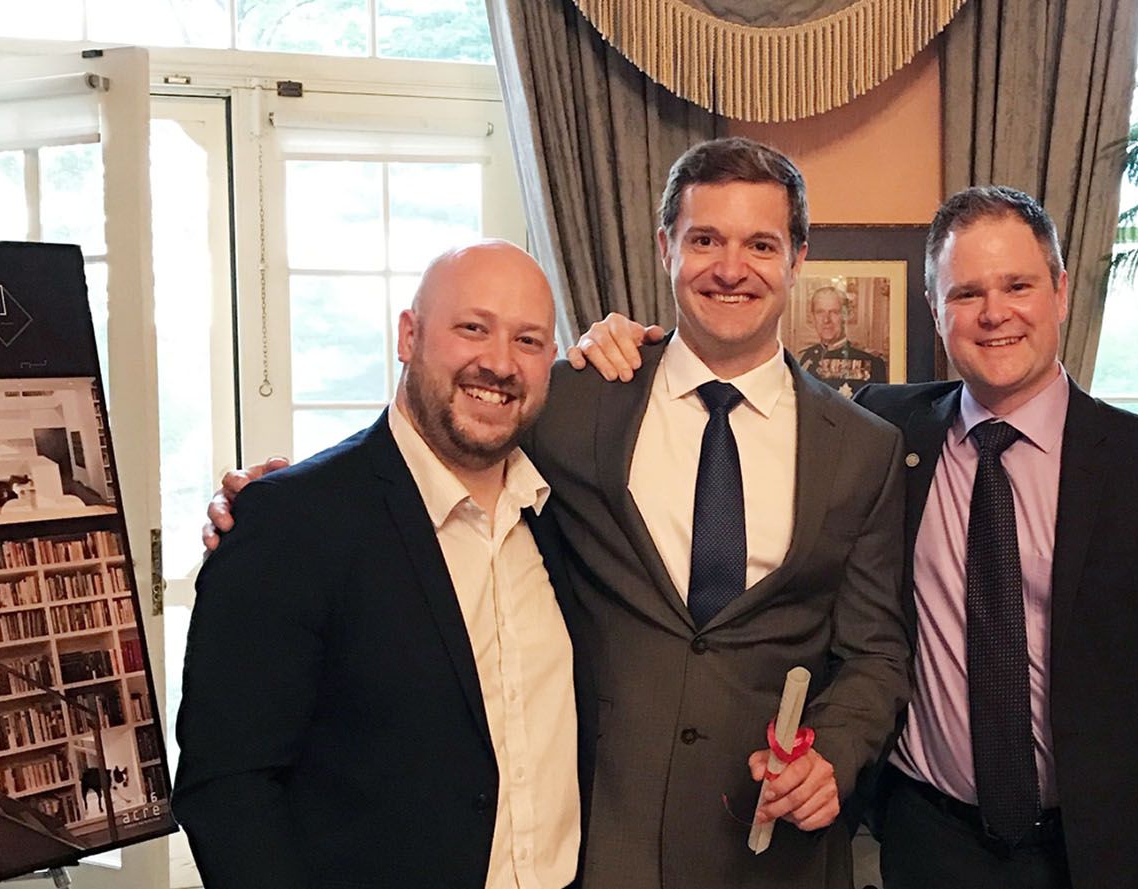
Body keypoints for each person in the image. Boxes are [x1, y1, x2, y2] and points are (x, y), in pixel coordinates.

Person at [205, 138, 910, 889]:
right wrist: (278, 495)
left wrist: (831, 748)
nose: (730, 268)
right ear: (668, 246)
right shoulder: (574, 398)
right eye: (705, 239)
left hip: (773, 859)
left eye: (760, 244)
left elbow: (876, 653)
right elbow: (439, 431)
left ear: (798, 258)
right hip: (600, 849)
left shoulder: (863, 448)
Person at [572, 185, 1138, 889]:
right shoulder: (883, 434)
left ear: (1060, 292)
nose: (994, 312)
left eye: (1018, 285)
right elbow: (745, 372)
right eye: (966, 292)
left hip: (1110, 852)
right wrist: (630, 343)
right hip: (928, 844)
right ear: (935, 311)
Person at [176, 243, 591, 889]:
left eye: (529, 339)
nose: (500, 362)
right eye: (472, 327)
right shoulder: (289, 521)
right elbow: (227, 788)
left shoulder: (560, 513)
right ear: (408, 334)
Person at [796, 285, 888, 396]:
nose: (826, 320)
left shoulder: (872, 361)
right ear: (813, 317)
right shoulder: (803, 360)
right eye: (820, 312)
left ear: (846, 315)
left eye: (834, 312)